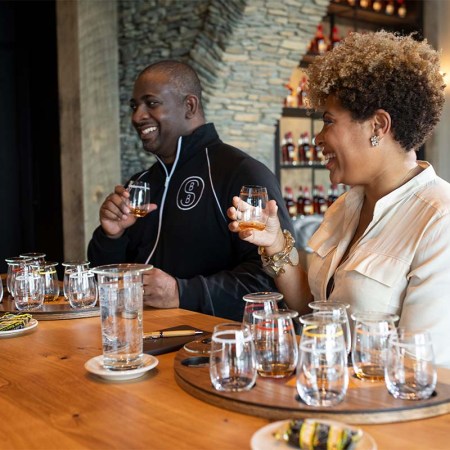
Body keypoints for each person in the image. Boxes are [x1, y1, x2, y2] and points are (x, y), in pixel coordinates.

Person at [228, 31, 450, 367]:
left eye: (328, 121)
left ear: (378, 125)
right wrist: (274, 243)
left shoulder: (439, 219)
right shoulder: (344, 207)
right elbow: (310, 310)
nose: (318, 137)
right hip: (327, 393)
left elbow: (420, 366)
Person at [88, 60, 293, 321]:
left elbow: (269, 284)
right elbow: (102, 279)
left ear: (189, 106)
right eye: (134, 106)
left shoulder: (241, 173)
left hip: (214, 348)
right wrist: (110, 236)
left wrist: (181, 293)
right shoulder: (141, 183)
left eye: (151, 103)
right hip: (137, 337)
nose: (137, 116)